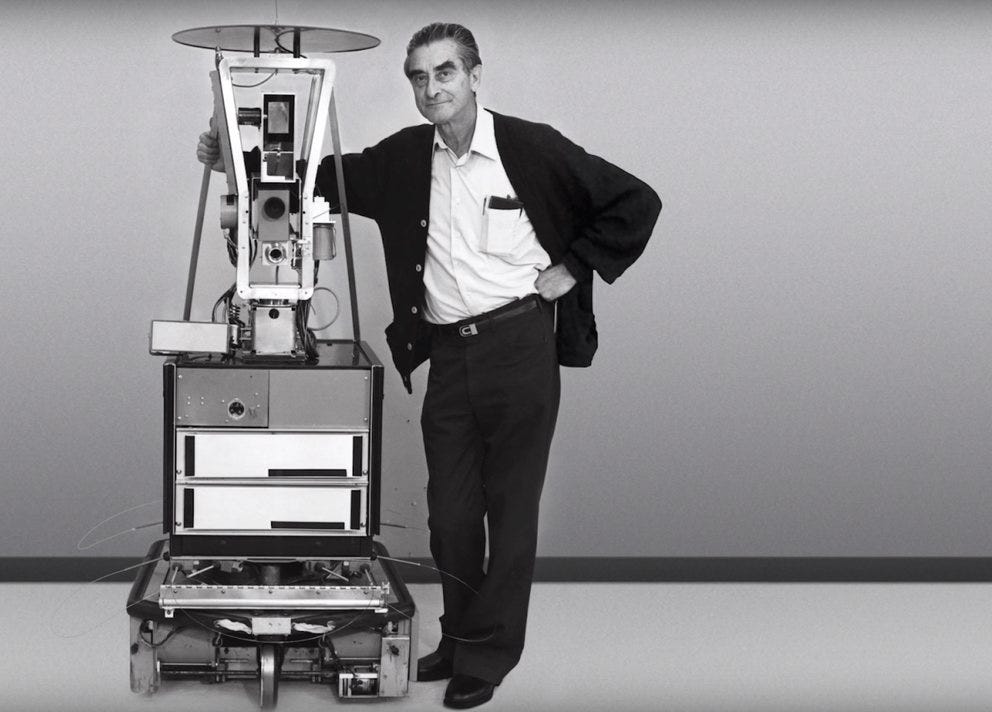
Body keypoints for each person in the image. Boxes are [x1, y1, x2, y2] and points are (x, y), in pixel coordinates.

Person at [197, 22, 660, 709]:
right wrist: (232, 160)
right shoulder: (406, 158)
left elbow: (636, 201)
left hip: (518, 348)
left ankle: (489, 657)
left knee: (510, 513)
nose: (431, 88)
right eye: (419, 76)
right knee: (450, 515)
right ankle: (460, 637)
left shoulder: (530, 147)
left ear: (474, 75)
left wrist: (573, 267)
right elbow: (318, 179)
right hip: (449, 355)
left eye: (444, 72)